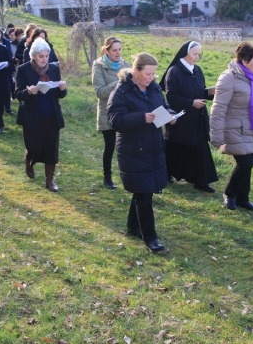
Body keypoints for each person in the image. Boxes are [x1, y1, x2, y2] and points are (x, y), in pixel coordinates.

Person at [107, 52, 176, 253]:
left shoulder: (154, 89)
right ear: (135, 71)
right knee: (144, 193)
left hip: (154, 147)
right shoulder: (122, 92)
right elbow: (115, 121)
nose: (152, 78)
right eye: (148, 74)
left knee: (142, 190)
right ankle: (150, 238)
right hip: (133, 149)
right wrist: (141, 118)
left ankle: (132, 227)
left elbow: (164, 106)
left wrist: (170, 115)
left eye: (154, 74)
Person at [210, 42, 253, 211]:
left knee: (250, 163)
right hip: (234, 127)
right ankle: (229, 193)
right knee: (245, 163)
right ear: (244, 60)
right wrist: (216, 136)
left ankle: (243, 198)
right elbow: (218, 109)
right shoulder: (228, 78)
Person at [159, 41, 218, 193]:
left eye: (199, 54)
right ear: (185, 53)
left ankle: (201, 181)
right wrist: (191, 103)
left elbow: (199, 91)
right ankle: (167, 173)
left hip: (197, 119)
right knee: (176, 148)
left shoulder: (197, 70)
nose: (197, 57)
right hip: (180, 119)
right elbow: (171, 98)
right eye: (194, 54)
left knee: (200, 149)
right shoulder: (174, 71)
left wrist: (207, 93)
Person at [15, 38, 67, 192]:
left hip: (51, 115)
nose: (44, 60)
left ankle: (49, 179)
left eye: (46, 56)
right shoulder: (23, 69)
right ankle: (29, 161)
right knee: (34, 147)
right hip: (32, 115)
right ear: (33, 56)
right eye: (41, 56)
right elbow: (17, 93)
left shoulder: (53, 69)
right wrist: (28, 92)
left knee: (52, 147)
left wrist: (62, 89)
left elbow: (59, 94)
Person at [92, 36, 130, 189]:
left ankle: (127, 176)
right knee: (110, 146)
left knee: (126, 146)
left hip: (124, 112)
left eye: (120, 49)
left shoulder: (125, 64)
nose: (118, 53)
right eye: (114, 50)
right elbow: (100, 92)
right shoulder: (98, 65)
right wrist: (119, 81)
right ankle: (107, 177)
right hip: (107, 112)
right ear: (106, 50)